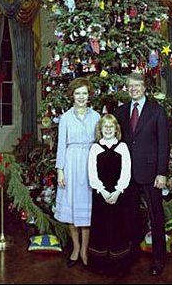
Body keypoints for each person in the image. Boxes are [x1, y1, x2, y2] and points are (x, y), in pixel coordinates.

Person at [115, 72, 170, 276]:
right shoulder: (120, 112)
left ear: (145, 87)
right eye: (130, 86)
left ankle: (158, 259)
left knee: (156, 217)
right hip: (128, 173)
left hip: (151, 173)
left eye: (137, 85)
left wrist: (161, 173)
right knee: (130, 215)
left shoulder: (157, 111)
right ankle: (133, 252)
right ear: (126, 89)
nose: (134, 89)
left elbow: (164, 144)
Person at [54, 77, 100, 268]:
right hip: (71, 165)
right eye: (77, 93)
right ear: (72, 95)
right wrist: (60, 171)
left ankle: (85, 250)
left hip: (90, 165)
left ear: (89, 96)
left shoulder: (96, 117)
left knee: (86, 210)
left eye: (84, 93)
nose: (81, 97)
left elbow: (101, 144)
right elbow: (61, 147)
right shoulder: (65, 118)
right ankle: (75, 247)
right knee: (72, 210)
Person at [88, 114, 131, 275]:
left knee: (118, 227)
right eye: (104, 127)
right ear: (100, 129)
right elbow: (92, 173)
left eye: (111, 127)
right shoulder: (95, 148)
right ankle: (99, 263)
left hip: (118, 194)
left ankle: (118, 264)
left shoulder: (122, 147)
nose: (108, 129)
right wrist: (103, 191)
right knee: (101, 227)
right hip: (101, 194)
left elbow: (126, 171)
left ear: (116, 129)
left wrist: (118, 191)